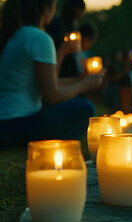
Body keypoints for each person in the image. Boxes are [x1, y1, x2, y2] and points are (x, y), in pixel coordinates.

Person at [0, 0, 104, 148]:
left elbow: (49, 82)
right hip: (18, 125)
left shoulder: (14, 35)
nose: (55, 10)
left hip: (4, 125)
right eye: (55, 5)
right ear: (45, 8)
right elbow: (51, 96)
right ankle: (54, 149)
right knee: (86, 108)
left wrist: (77, 75)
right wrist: (85, 84)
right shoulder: (39, 38)